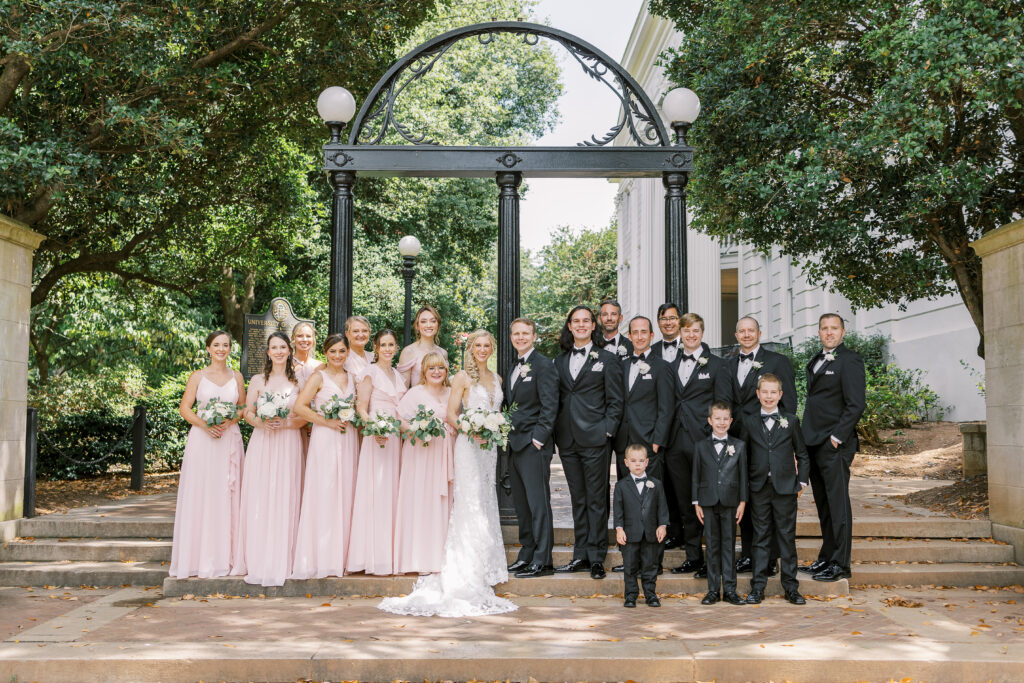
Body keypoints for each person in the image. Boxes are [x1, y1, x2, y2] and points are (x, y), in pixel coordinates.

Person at [378, 330, 516, 617]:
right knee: (469, 502)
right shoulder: (462, 378)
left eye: (486, 345)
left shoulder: (498, 379)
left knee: (486, 500)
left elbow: (498, 413)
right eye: (477, 345)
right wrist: (472, 429)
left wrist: (494, 427)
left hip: (489, 450)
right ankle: (466, 565)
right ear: (470, 349)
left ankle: (487, 562)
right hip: (468, 446)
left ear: (492, 348)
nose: (482, 349)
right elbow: (452, 415)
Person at [716, 315, 796, 575]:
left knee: (768, 498)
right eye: (742, 331)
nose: (747, 335)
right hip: (736, 442)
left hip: (767, 441)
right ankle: (749, 554)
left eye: (751, 331)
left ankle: (770, 558)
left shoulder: (777, 361)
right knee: (745, 496)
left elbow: (789, 405)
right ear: (736, 335)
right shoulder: (726, 364)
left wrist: (786, 443)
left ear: (759, 333)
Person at [553, 305, 624, 579]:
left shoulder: (607, 359)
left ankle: (597, 556)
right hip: (568, 440)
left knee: (596, 498)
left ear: (593, 325)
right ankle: (580, 554)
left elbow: (616, 400)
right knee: (577, 498)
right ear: (569, 326)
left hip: (595, 438)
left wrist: (608, 429)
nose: (581, 325)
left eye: (586, 321)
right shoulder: (558, 362)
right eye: (576, 321)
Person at [169, 330, 246, 579]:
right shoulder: (197, 376)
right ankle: (198, 558)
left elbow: (243, 408)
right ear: (208, 348)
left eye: (225, 345)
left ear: (229, 348)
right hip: (203, 440)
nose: (221, 349)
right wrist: (206, 424)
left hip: (228, 438)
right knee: (202, 493)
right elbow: (184, 409)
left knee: (227, 494)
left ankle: (228, 557)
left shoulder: (237, 376)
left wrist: (227, 420)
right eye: (216, 345)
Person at [232, 331, 304, 586]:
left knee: (286, 495)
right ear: (268, 352)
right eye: (274, 347)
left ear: (289, 350)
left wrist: (286, 423)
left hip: (288, 442)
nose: (279, 351)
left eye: (283, 347)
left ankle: (286, 558)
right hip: (263, 443)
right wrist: (260, 423)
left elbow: (306, 415)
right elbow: (246, 412)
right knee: (261, 497)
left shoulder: (299, 381)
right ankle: (259, 557)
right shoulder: (257, 380)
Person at [800, 313, 866, 583]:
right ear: (819, 332)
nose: (829, 333)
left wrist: (837, 437)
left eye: (834, 328)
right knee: (825, 506)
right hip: (813, 443)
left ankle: (840, 564)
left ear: (843, 332)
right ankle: (826, 558)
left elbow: (856, 404)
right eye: (824, 328)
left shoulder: (850, 360)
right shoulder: (816, 359)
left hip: (833, 444)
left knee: (838, 506)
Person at [290, 333, 359, 579]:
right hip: (325, 438)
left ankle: (341, 556)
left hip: (348, 438)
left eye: (342, 351)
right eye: (333, 351)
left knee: (346, 492)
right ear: (326, 353)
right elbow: (299, 406)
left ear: (348, 352)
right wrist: (326, 422)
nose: (338, 356)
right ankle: (320, 557)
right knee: (325, 492)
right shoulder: (318, 376)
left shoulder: (353, 378)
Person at [611, 315, 674, 575]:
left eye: (643, 332)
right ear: (630, 335)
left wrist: (656, 443)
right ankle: (630, 562)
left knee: (650, 507)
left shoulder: (662, 367)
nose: (638, 336)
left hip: (648, 447)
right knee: (629, 505)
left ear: (651, 335)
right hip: (625, 446)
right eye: (634, 332)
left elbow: (667, 408)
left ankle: (653, 563)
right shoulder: (622, 365)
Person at [741, 373, 809, 605]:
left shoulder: (791, 421)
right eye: (764, 392)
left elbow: (802, 454)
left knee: (786, 537)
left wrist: (801, 482)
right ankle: (757, 587)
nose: (769, 396)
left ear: (780, 395)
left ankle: (791, 587)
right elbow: (743, 457)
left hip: (785, 489)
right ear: (758, 394)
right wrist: (745, 487)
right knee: (760, 538)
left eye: (773, 392)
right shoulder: (749, 422)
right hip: (759, 488)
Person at [665, 313, 725, 577]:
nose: (691, 335)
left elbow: (722, 403)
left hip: (703, 440)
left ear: (702, 332)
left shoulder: (717, 365)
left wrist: (710, 432)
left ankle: (713, 559)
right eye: (686, 330)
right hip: (675, 441)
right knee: (684, 501)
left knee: (708, 500)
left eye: (696, 330)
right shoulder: (671, 362)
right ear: (680, 332)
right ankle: (693, 557)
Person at [347, 329, 407, 576]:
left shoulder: (398, 375)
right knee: (376, 492)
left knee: (393, 493)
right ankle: (372, 556)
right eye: (383, 344)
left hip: (396, 438)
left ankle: (391, 555)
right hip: (378, 436)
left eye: (392, 344)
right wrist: (373, 428)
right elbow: (361, 407)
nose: (388, 349)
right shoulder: (368, 373)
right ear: (376, 347)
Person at [503, 318, 559, 579]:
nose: (521, 337)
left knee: (539, 505)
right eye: (516, 333)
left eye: (526, 333)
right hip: (514, 445)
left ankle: (543, 560)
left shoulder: (544, 365)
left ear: (534, 336)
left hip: (533, 445)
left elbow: (550, 406)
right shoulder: (514, 366)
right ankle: (526, 553)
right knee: (522, 506)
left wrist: (538, 439)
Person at [392, 352, 454, 575]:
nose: (436, 372)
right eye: (431, 368)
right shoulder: (415, 393)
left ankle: (441, 557)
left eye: (440, 368)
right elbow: (399, 420)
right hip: (421, 453)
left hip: (445, 452)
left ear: (446, 371)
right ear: (424, 372)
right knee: (421, 500)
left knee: (442, 501)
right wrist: (416, 430)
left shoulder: (452, 392)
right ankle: (418, 557)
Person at [692, 401, 747, 605]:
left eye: (725, 419)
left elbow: (742, 475)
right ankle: (713, 590)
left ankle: (730, 590)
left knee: (729, 545)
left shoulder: (739, 446)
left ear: (731, 421)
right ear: (710, 420)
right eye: (717, 419)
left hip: (731, 501)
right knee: (712, 545)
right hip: (707, 500)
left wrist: (742, 501)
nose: (721, 423)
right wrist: (696, 501)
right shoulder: (700, 446)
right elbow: (696, 475)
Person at [613, 444, 669, 608]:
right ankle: (630, 595)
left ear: (647, 462)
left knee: (650, 565)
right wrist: (619, 529)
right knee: (630, 566)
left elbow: (662, 507)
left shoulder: (656, 484)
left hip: (651, 533)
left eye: (641, 461)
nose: (637, 464)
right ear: (626, 463)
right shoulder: (621, 486)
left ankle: (650, 594)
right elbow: (618, 510)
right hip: (630, 533)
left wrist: (662, 525)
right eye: (633, 461)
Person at [397, 304, 450, 386]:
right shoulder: (409, 352)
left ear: (438, 325)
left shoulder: (443, 353)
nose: (428, 325)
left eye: (433, 321)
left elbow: (444, 384)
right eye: (423, 321)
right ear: (417, 326)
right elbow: (402, 390)